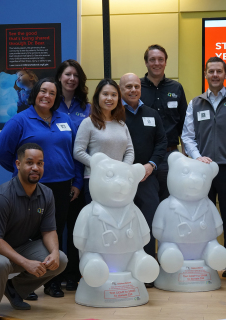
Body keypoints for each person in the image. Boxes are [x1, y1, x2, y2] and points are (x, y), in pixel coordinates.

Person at [0, 78, 83, 299]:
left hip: (62, 186)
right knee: (31, 236)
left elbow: (75, 153)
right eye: (43, 91)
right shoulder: (20, 121)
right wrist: (23, 176)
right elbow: (3, 154)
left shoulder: (64, 119)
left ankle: (51, 282)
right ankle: (27, 283)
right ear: (35, 94)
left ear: (57, 98)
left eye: (52, 93)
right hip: (33, 188)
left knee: (55, 233)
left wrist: (77, 182)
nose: (47, 96)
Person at [0, 143, 68, 320]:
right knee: (0, 264)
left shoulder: (46, 194)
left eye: (40, 163)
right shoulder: (2, 197)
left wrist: (54, 252)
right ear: (18, 164)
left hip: (19, 247)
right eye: (29, 162)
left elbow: (49, 231)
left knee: (60, 259)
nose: (35, 168)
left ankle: (14, 288)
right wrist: (25, 263)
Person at [181, 56, 226, 284]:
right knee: (202, 218)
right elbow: (188, 136)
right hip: (202, 171)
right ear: (206, 74)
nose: (215, 75)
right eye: (211, 71)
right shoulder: (195, 103)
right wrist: (198, 158)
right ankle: (203, 262)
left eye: (219, 71)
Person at [120, 73, 167, 288]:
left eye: (136, 86)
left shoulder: (151, 113)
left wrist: (150, 165)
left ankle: (147, 271)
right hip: (121, 182)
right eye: (128, 86)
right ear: (121, 89)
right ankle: (123, 269)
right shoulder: (114, 114)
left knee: (148, 225)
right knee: (123, 224)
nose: (133, 90)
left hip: (148, 178)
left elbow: (161, 143)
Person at [55, 59, 91, 291]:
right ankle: (52, 277)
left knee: (77, 229)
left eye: (76, 75)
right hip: (53, 179)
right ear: (59, 77)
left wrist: (78, 182)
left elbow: (85, 149)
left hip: (78, 177)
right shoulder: (49, 104)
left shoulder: (87, 108)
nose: (71, 79)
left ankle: (73, 274)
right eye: (67, 74)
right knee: (54, 230)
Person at [140, 44, 188, 201]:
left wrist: (185, 154)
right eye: (152, 59)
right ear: (146, 63)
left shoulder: (176, 88)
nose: (156, 63)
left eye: (161, 59)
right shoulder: (136, 88)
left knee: (171, 201)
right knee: (147, 202)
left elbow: (184, 125)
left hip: (170, 157)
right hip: (143, 158)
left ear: (166, 62)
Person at [73, 78, 134, 196]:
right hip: (96, 179)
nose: (109, 98)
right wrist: (103, 167)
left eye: (114, 95)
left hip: (120, 180)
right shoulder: (88, 123)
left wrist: (123, 169)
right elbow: (78, 151)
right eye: (105, 94)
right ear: (97, 97)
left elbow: (130, 151)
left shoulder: (122, 125)